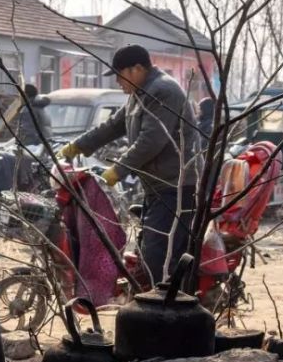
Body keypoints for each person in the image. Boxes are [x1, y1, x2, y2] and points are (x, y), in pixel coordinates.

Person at [58, 44, 200, 287]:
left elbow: (151, 140)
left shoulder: (161, 91)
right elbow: (113, 126)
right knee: (148, 251)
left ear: (136, 69)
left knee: (159, 254)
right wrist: (77, 146)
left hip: (175, 186)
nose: (117, 82)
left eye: (119, 74)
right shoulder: (139, 94)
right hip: (156, 185)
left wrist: (118, 170)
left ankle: (167, 308)